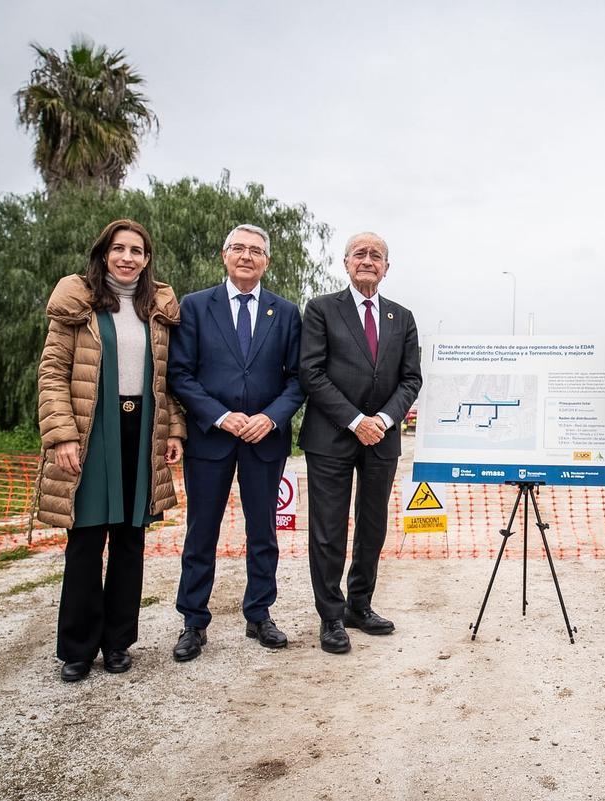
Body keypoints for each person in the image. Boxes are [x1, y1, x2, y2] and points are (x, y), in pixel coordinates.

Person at [36, 219, 185, 682]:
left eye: (137, 251)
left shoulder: (157, 308)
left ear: (147, 259)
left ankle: (119, 642)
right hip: (90, 430)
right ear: (104, 255)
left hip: (142, 431)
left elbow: (168, 379)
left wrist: (175, 431)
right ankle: (77, 649)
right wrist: (61, 435)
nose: (127, 258)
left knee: (130, 540)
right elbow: (53, 373)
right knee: (85, 540)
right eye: (119, 249)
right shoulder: (77, 303)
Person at [168, 224, 305, 660]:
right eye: (238, 248)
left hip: (265, 440)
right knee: (201, 531)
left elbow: (299, 379)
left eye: (256, 251)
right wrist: (223, 417)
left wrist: (270, 417)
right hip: (210, 439)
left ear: (267, 260)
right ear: (224, 255)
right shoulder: (194, 306)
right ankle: (193, 621)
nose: (247, 256)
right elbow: (180, 374)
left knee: (263, 531)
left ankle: (260, 613)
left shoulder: (285, 313)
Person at [299, 232, 422, 655]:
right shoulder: (320, 310)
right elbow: (311, 373)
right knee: (328, 530)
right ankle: (331, 616)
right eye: (360, 253)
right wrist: (355, 421)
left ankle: (360, 605)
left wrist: (384, 420)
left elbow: (411, 379)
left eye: (377, 255)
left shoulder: (401, 318)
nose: (368, 260)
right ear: (346, 262)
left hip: (382, 441)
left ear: (387, 267)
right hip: (331, 436)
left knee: (372, 527)